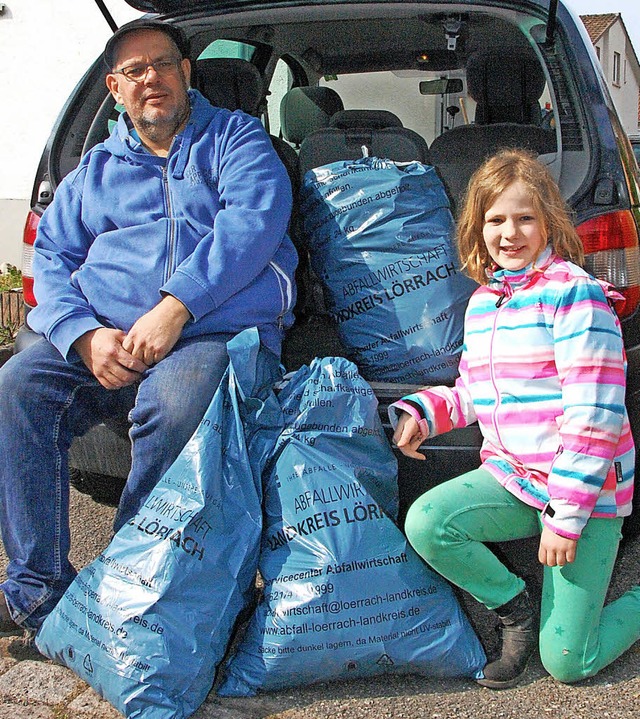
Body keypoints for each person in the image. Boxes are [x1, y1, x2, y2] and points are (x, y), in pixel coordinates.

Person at [0, 19, 297, 635]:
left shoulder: (236, 140)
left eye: (162, 64)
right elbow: (52, 257)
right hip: (107, 336)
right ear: (114, 88)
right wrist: (82, 336)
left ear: (186, 72)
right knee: (16, 389)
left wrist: (176, 307)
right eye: (134, 71)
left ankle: (128, 589)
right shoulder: (92, 172)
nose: (150, 79)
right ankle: (35, 596)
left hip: (212, 333)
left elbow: (252, 225)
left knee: (177, 405)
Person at [390, 149, 639, 688]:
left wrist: (567, 516)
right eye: (495, 220)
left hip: (586, 495)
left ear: (548, 221)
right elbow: (475, 392)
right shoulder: (485, 304)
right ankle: (515, 609)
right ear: (477, 230)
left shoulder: (574, 294)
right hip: (517, 479)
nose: (510, 233)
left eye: (525, 218)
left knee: (570, 662)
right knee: (429, 523)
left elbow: (595, 413)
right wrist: (425, 414)